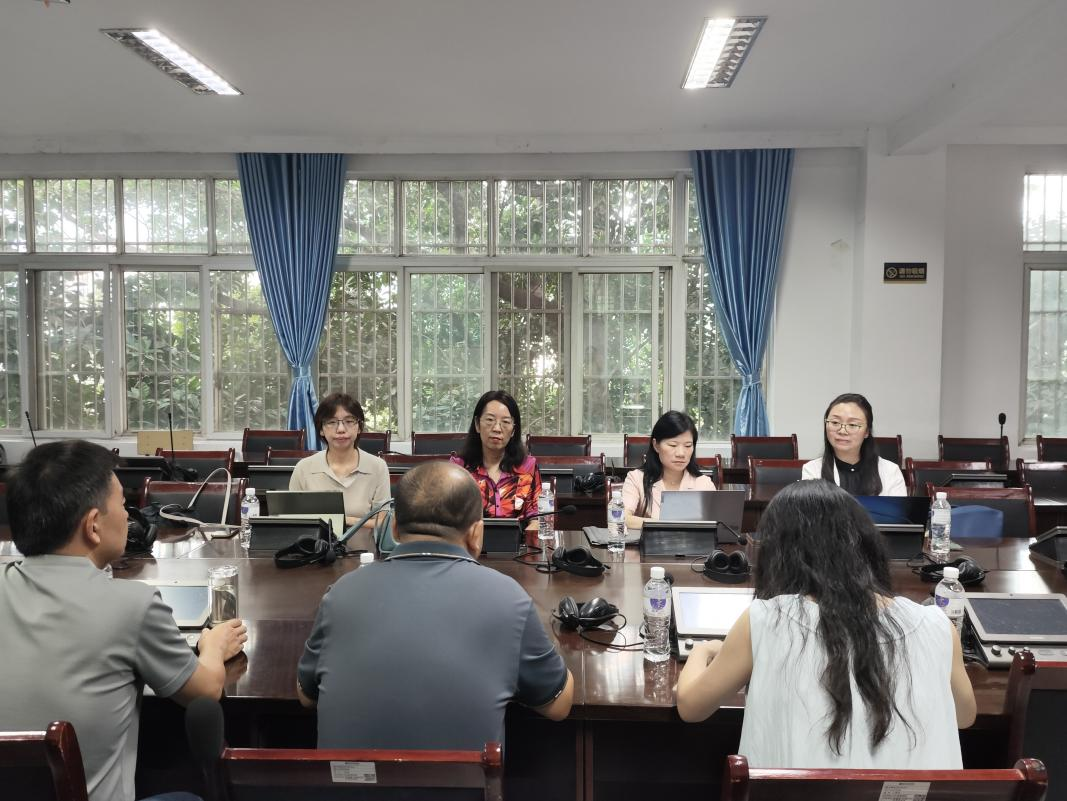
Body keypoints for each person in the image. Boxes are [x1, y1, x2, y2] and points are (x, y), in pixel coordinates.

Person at [0, 440, 247, 801]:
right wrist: (213, 646)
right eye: (122, 505)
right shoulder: (133, 605)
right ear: (93, 526)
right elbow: (206, 691)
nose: (129, 517)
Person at [676, 480, 975, 768]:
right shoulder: (937, 625)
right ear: (865, 544)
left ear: (780, 554)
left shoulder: (766, 619)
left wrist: (702, 651)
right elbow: (964, 716)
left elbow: (691, 707)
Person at [297, 461, 573, 749]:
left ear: (394, 528)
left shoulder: (341, 593)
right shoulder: (509, 598)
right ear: (476, 534)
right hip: (466, 778)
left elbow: (306, 695)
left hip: (346, 778)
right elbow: (559, 705)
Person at [290, 392, 391, 526]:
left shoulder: (378, 467)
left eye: (349, 421)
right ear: (321, 429)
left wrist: (342, 520)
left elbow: (383, 523)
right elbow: (292, 520)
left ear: (359, 427)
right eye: (331, 422)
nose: (341, 429)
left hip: (365, 541)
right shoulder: (303, 468)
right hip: (313, 541)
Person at [451, 390, 541, 521]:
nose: (497, 429)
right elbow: (449, 515)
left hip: (517, 535)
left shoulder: (527, 467)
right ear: (477, 424)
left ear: (513, 430)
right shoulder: (458, 468)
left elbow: (536, 516)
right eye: (490, 420)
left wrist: (533, 525)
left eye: (505, 422)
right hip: (471, 534)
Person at [622, 410, 716, 530]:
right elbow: (622, 518)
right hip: (650, 542)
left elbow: (716, 525)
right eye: (673, 445)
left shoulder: (704, 483)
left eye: (688, 446)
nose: (681, 453)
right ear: (656, 445)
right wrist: (668, 524)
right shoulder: (636, 478)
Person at [801, 393, 906, 496]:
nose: (842, 431)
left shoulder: (890, 471)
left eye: (852, 424)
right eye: (835, 422)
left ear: (867, 432)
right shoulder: (812, 470)